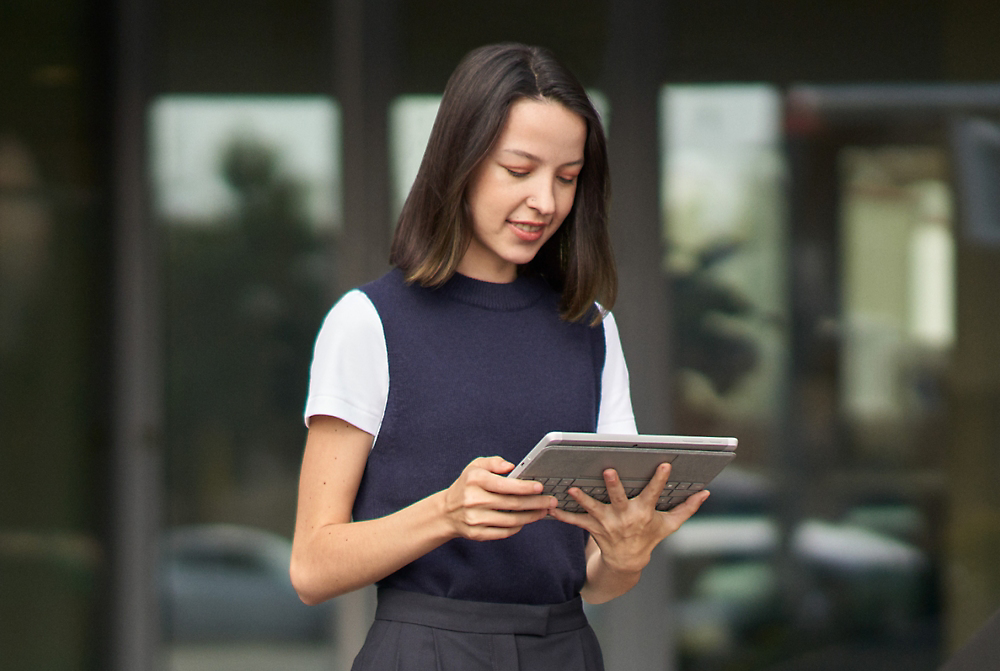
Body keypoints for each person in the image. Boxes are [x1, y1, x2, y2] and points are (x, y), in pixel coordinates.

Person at [290, 42, 709, 671]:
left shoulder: (590, 327)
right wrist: (446, 512)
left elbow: (594, 579)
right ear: (461, 162)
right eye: (519, 170)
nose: (546, 200)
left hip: (564, 650)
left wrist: (625, 555)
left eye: (567, 178)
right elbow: (311, 567)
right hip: (423, 651)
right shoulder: (369, 323)